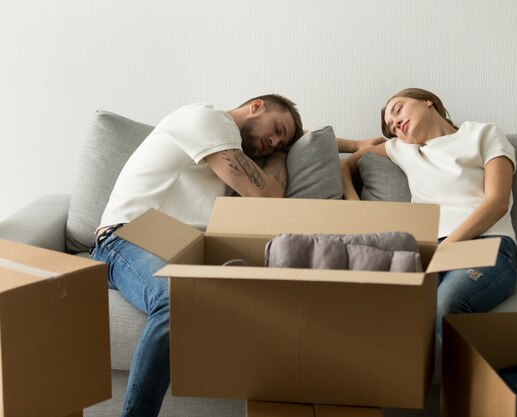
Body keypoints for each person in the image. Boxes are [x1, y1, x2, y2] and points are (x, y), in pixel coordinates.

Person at [89, 94, 378, 417]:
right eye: (277, 129)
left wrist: (355, 145)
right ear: (256, 105)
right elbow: (267, 194)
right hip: (125, 237)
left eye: (280, 141)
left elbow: (306, 140)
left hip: (176, 247)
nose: (273, 142)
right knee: (175, 300)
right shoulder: (206, 121)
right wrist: (280, 155)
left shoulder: (228, 146)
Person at [340, 88, 517, 340]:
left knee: (445, 304)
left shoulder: (483, 134)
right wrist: (355, 203)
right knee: (378, 310)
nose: (397, 124)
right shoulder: (402, 149)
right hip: (430, 251)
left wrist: (445, 250)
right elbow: (343, 163)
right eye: (392, 127)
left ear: (428, 101)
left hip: (487, 244)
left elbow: (497, 202)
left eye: (398, 109)